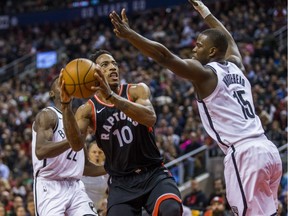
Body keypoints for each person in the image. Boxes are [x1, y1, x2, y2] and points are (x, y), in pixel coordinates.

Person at [109, 0, 283, 215]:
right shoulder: (237, 65)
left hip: (245, 155)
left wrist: (130, 35)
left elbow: (164, 56)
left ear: (211, 52)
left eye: (199, 45)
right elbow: (227, 38)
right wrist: (205, 11)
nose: (193, 48)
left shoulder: (205, 74)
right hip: (268, 150)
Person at [59, 49, 183, 215]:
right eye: (105, 65)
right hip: (121, 182)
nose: (112, 67)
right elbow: (76, 145)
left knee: (170, 209)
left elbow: (150, 118)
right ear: (93, 73)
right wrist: (66, 106)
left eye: (114, 64)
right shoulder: (87, 110)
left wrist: (111, 96)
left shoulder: (136, 91)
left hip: (153, 173)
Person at [31, 76, 106, 216]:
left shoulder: (78, 123)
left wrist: (112, 167)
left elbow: (85, 167)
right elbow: (40, 151)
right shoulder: (47, 115)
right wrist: (73, 140)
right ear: (52, 93)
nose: (65, 87)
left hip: (75, 186)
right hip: (50, 185)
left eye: (68, 85)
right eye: (60, 85)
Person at [81, 141, 109, 206]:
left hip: (97, 208)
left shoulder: (108, 171)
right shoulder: (82, 167)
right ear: (88, 154)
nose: (97, 155)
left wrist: (105, 202)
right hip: (80, 205)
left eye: (100, 152)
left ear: (105, 154)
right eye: (94, 152)